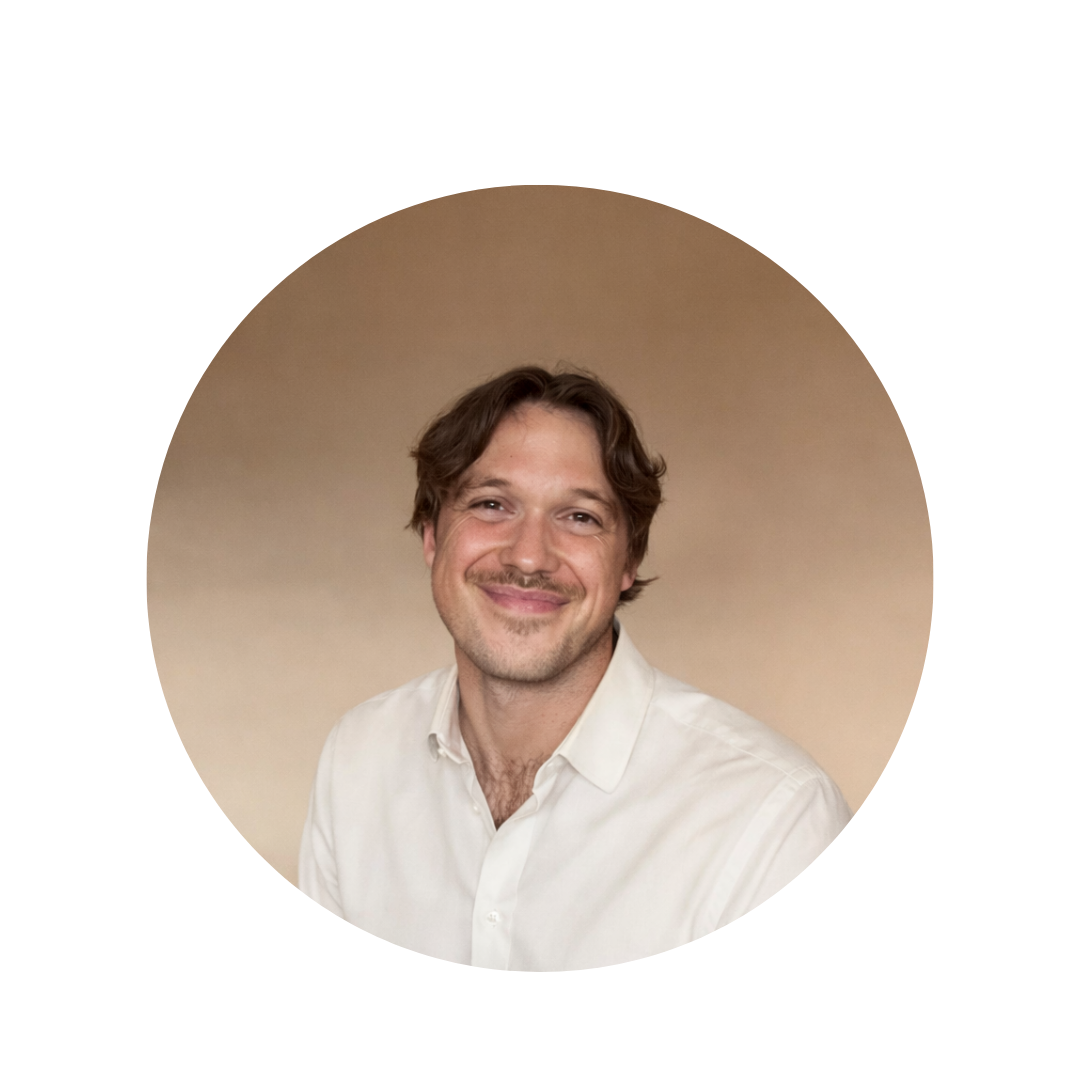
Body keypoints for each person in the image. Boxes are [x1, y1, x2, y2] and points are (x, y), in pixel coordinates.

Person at [299, 365, 852, 970]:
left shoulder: (774, 818)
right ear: (432, 536)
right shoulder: (358, 760)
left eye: (579, 517)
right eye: (491, 504)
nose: (529, 557)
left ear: (628, 561)